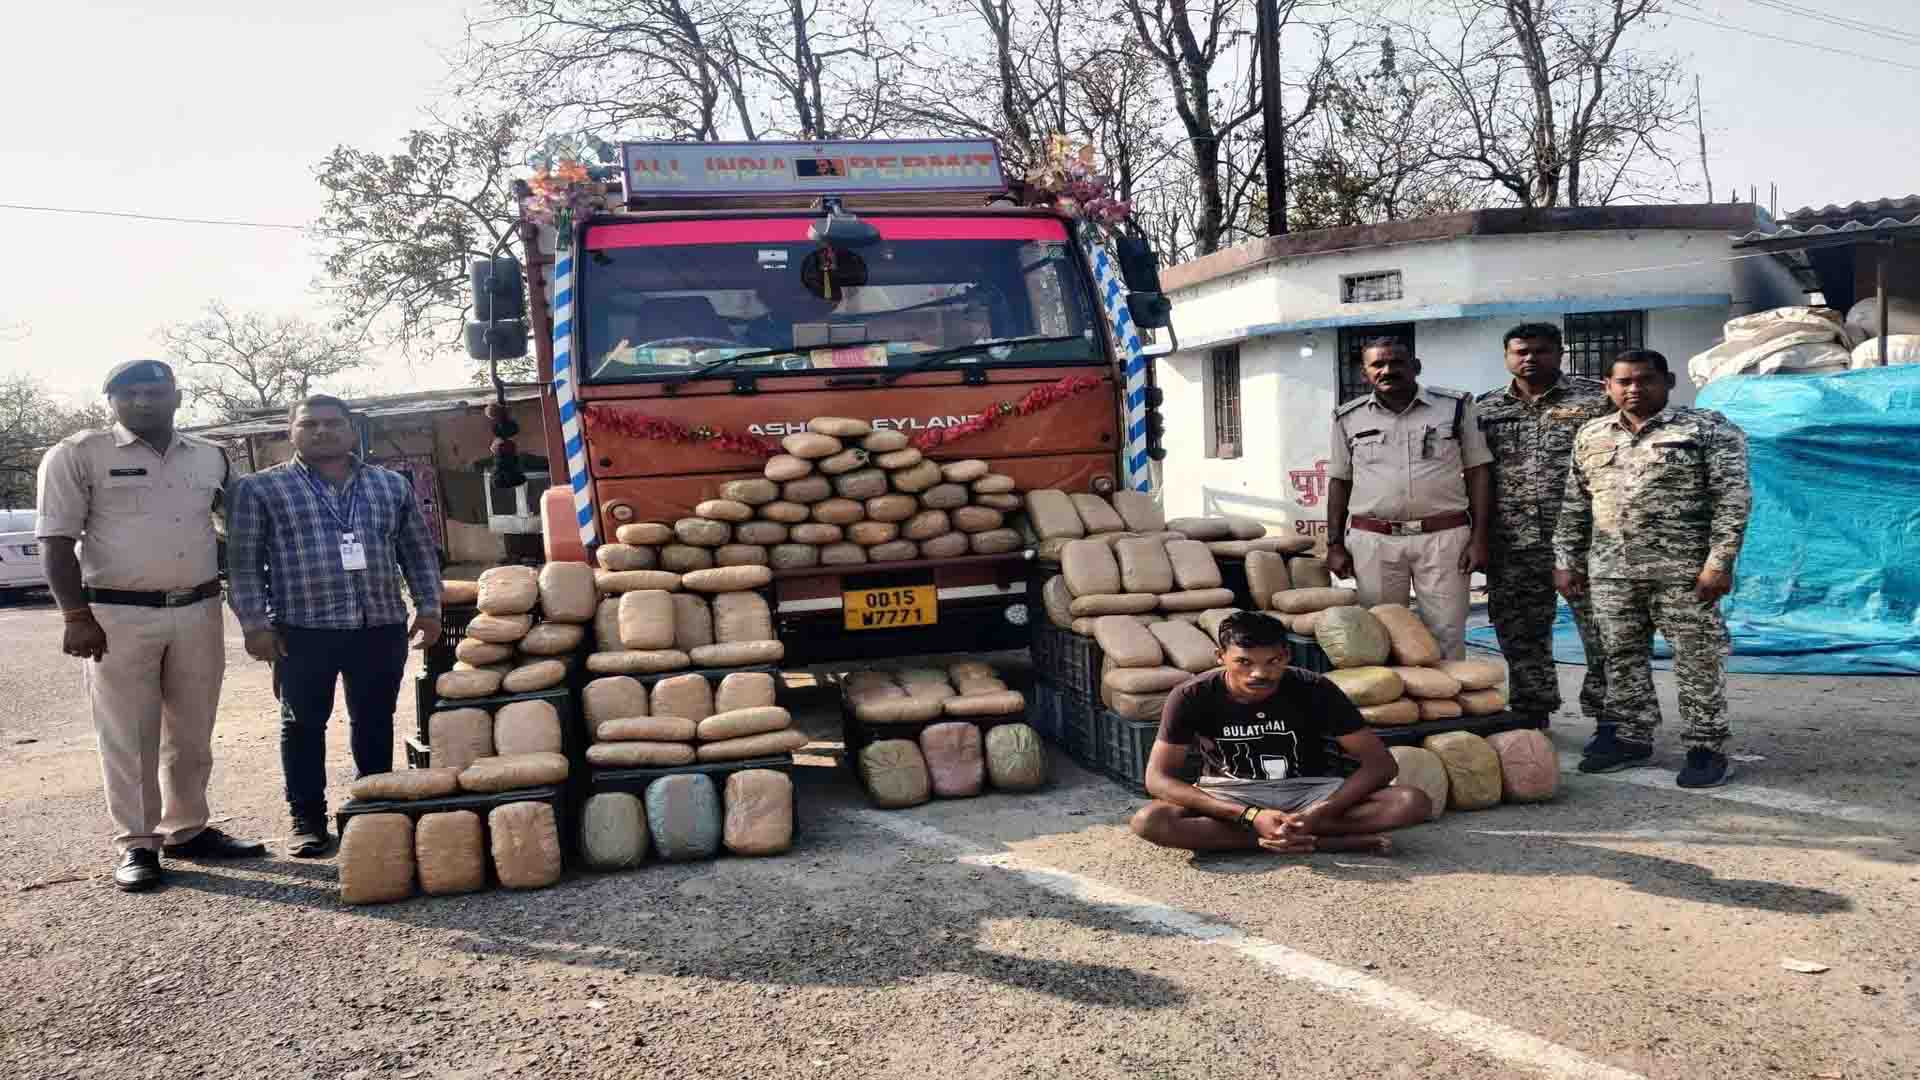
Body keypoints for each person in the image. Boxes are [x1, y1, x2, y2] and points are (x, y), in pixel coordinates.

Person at [36, 359, 266, 892]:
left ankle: (187, 829)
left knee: (191, 730)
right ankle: (138, 843)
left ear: (177, 398)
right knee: (130, 732)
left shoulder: (209, 456)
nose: (143, 402)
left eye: (155, 392)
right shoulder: (77, 454)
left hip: (198, 609)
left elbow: (237, 526)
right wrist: (75, 615)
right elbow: (54, 542)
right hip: (116, 615)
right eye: (130, 394)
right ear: (110, 400)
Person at [226, 395, 443, 856]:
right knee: (302, 723)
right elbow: (244, 565)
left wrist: (429, 608)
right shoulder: (259, 490)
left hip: (378, 623)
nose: (322, 432)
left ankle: (373, 807)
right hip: (302, 629)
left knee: (374, 718)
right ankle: (307, 819)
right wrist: (255, 624)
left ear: (350, 429)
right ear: (291, 433)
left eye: (332, 423)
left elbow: (418, 552)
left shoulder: (390, 486)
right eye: (309, 425)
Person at [1554, 350, 1751, 787]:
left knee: (1697, 660)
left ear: (1669, 381)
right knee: (1619, 658)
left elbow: (1732, 501)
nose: (1634, 389)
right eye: (1623, 381)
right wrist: (1566, 560)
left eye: (1645, 380)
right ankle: (1630, 737)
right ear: (1608, 385)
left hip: (1683, 572)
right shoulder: (1591, 435)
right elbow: (1575, 505)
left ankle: (1706, 747)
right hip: (1610, 571)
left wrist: (1719, 563)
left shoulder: (1707, 429)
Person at [1130, 612, 1430, 855]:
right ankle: (1322, 843)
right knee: (1150, 822)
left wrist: (1317, 813)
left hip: (1308, 790)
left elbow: (1381, 765)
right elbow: (1157, 779)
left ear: (1286, 655)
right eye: (1244, 662)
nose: (1259, 674)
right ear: (1220, 656)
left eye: (1272, 661)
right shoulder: (1192, 695)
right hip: (1231, 791)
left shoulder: (1314, 688)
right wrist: (1250, 816)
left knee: (1411, 802)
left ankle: (1285, 835)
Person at [1476, 324, 1616, 734]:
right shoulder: (1484, 409)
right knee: (1520, 632)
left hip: (1585, 541)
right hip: (1513, 542)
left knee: (1602, 632)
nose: (1530, 358)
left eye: (1541, 350)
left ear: (1560, 353)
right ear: (1506, 356)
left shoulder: (1597, 400)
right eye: (1520, 351)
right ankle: (1532, 710)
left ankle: (1609, 716)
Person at [1325, 338, 1493, 659]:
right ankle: (1397, 707)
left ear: (1415, 367)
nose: (1388, 370)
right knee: (1381, 633)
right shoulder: (1348, 418)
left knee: (1446, 633)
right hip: (1374, 540)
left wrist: (1480, 538)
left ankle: (1447, 707)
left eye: (1397, 363)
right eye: (1378, 365)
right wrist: (1334, 544)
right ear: (1365, 373)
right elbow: (1339, 481)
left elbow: (1478, 471)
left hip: (1444, 538)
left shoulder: (1455, 407)